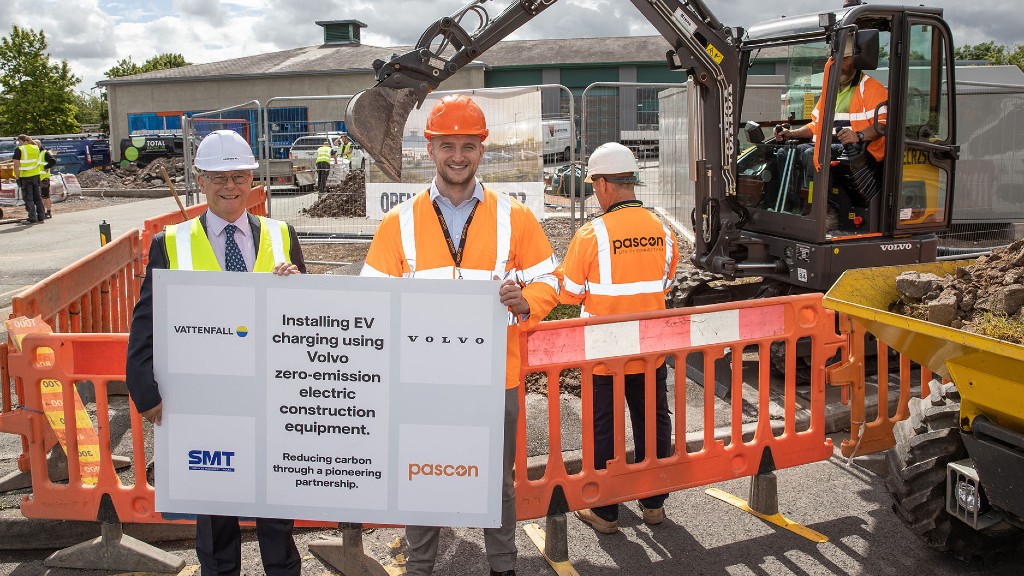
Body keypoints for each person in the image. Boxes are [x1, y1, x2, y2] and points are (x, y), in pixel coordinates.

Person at [360, 94, 560, 576]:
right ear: (429, 149)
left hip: (496, 378)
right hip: (422, 381)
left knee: (497, 481)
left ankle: (503, 566)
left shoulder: (516, 217)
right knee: (422, 475)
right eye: (446, 144)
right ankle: (421, 565)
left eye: (467, 146)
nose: (457, 155)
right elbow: (372, 299)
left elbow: (550, 281)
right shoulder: (398, 222)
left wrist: (526, 301)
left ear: (481, 150)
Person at [125, 129, 305, 576]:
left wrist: (299, 284)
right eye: (219, 177)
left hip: (270, 397)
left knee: (276, 511)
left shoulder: (283, 234)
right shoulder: (172, 242)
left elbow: (306, 319)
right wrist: (143, 388)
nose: (231, 186)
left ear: (253, 180)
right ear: (200, 180)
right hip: (203, 400)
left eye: (240, 176)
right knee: (215, 515)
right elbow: (147, 321)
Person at [558, 142, 678, 534]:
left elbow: (569, 292)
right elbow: (666, 281)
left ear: (606, 184)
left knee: (604, 427)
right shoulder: (663, 230)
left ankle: (605, 511)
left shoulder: (592, 234)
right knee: (653, 421)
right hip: (650, 351)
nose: (595, 191)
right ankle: (654, 503)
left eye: (595, 184)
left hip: (604, 353)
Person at [775, 35, 888, 189]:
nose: (839, 64)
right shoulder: (831, 91)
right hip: (832, 145)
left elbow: (882, 126)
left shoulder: (872, 88)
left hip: (860, 151)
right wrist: (792, 134)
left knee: (812, 154)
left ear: (857, 60)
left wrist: (858, 135)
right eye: (835, 60)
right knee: (785, 152)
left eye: (845, 59)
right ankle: (793, 204)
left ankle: (821, 208)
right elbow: (817, 125)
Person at [12, 134, 45, 224]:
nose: (18, 143)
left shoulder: (19, 149)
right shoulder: (35, 148)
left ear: (21, 141)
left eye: (18, 141)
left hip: (25, 177)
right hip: (36, 176)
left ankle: (32, 217)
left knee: (28, 198)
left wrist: (17, 176)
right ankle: (41, 216)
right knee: (37, 197)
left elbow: (16, 165)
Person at [35, 140, 57, 219]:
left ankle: (48, 211)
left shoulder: (44, 153)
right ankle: (42, 211)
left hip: (44, 177)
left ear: (39, 145)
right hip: (37, 177)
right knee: (40, 196)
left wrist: (46, 167)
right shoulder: (35, 153)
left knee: (45, 196)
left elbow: (53, 161)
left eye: (36, 144)